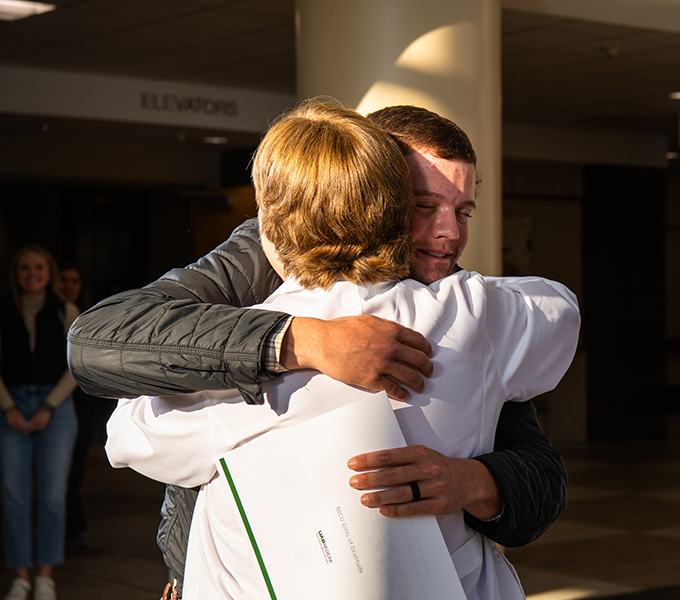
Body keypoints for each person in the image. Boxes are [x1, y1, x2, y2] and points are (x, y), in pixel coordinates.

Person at [67, 105, 569, 580]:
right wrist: (301, 339)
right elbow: (96, 342)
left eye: (464, 212)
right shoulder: (265, 248)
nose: (449, 234)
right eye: (423, 206)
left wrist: (471, 481)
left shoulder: (466, 307)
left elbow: (541, 477)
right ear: (366, 194)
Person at [0, 245, 80, 600]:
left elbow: (76, 366)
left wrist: (48, 406)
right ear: (15, 273)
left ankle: (45, 576)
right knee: (14, 498)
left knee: (52, 498)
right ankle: (21, 576)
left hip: (56, 409)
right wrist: (8, 408)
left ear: (49, 272)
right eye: (24, 267)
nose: (32, 273)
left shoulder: (66, 310)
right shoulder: (3, 308)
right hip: (10, 406)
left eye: (39, 267)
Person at [58, 264, 113, 549]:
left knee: (74, 467)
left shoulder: (87, 315)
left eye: (75, 281)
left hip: (82, 403)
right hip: (60, 401)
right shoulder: (56, 313)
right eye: (64, 280)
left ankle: (74, 525)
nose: (69, 286)